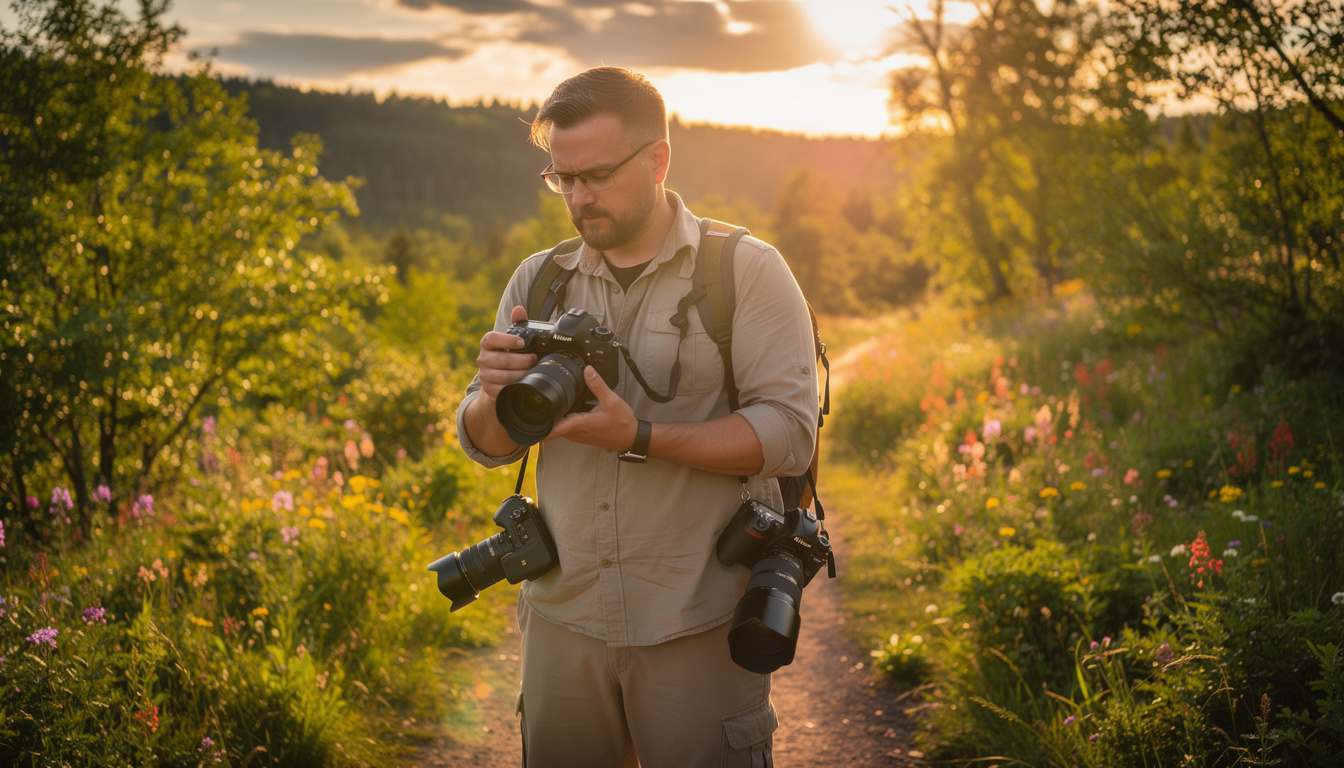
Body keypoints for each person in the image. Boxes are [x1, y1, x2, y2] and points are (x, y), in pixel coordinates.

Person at [456, 66, 819, 767]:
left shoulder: (744, 271)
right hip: (562, 621)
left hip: (698, 623)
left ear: (658, 160)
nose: (578, 197)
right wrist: (490, 396)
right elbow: (487, 446)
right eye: (562, 178)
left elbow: (788, 432)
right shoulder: (538, 280)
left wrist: (642, 438)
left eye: (595, 174)